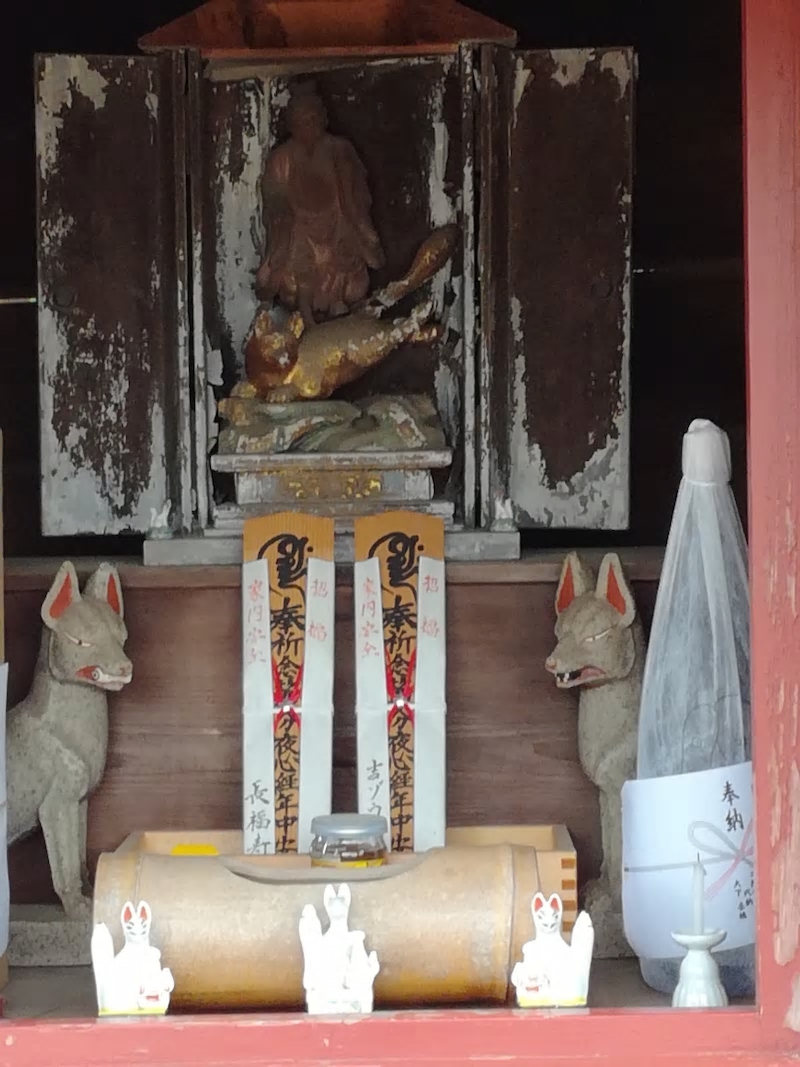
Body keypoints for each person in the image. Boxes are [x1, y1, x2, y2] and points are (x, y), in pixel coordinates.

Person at [256, 82, 385, 324]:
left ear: (324, 118)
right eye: (301, 121)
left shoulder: (339, 149)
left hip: (338, 223)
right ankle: (306, 316)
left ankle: (338, 306)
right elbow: (276, 204)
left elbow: (353, 198)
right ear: (291, 125)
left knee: (351, 273)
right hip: (298, 230)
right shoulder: (282, 158)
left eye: (313, 119)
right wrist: (283, 228)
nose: (308, 126)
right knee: (291, 274)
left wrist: (359, 224)